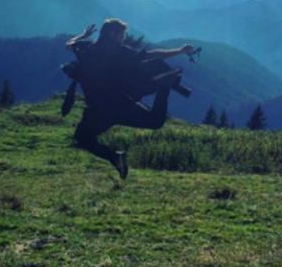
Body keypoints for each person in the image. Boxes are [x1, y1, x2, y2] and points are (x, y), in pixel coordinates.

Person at [65, 19, 195, 179]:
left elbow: (69, 44)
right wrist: (180, 50)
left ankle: (115, 157)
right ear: (113, 34)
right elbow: (152, 54)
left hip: (96, 109)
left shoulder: (87, 49)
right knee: (155, 121)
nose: (123, 38)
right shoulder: (119, 51)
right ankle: (164, 87)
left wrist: (82, 35)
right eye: (122, 35)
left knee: (83, 138)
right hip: (120, 105)